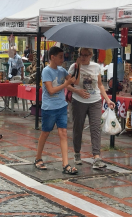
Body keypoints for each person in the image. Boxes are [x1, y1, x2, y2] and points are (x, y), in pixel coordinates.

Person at [67, 48, 115, 169]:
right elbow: (67, 85)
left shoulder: (96, 67)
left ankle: (97, 157)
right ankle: (77, 153)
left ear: (90, 56)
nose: (83, 57)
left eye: (85, 55)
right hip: (78, 101)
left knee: (95, 128)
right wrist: (77, 91)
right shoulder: (74, 67)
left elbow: (99, 85)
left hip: (95, 101)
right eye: (81, 55)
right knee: (78, 127)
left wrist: (108, 100)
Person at [34, 46, 78, 174]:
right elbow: (51, 90)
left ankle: (66, 164)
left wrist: (78, 66)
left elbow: (73, 80)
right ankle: (38, 158)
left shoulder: (62, 70)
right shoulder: (46, 71)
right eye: (60, 56)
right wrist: (65, 84)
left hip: (61, 106)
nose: (62, 59)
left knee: (63, 133)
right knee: (45, 132)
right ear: (52, 57)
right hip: (49, 107)